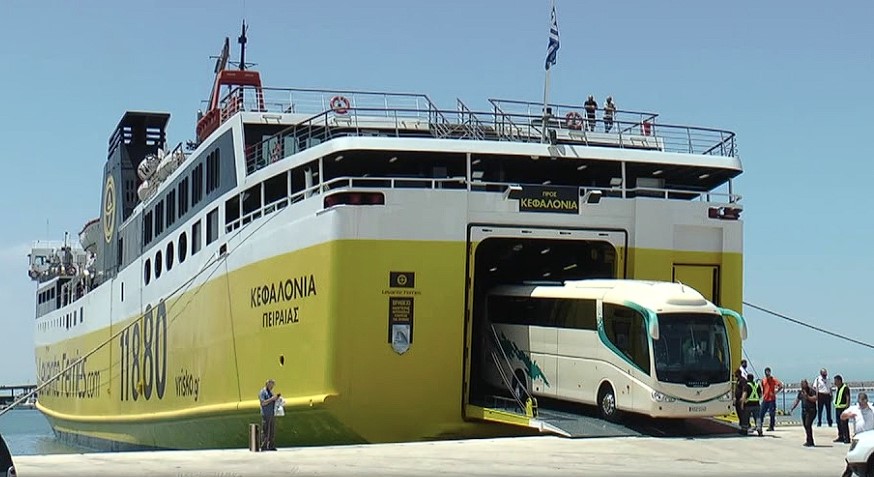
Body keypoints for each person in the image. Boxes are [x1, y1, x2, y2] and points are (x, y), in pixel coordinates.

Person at [840, 393, 874, 477]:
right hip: (858, 437)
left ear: (866, 401)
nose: (861, 405)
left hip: (870, 438)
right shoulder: (854, 409)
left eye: (862, 402)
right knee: (852, 459)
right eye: (859, 402)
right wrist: (849, 415)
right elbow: (842, 416)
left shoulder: (872, 409)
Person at [789, 379, 818, 447]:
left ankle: (810, 441)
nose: (803, 386)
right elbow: (797, 400)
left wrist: (807, 397)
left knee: (808, 424)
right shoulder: (801, 392)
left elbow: (815, 399)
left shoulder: (811, 391)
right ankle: (809, 440)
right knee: (805, 425)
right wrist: (792, 408)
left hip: (811, 411)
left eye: (804, 384)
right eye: (802, 385)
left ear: (807, 384)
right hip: (804, 411)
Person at [259, 379, 280, 451]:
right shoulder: (262, 392)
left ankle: (271, 445)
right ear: (267, 384)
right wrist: (272, 399)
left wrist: (277, 399)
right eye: (271, 385)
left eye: (273, 385)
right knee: (265, 430)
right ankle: (263, 446)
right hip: (266, 413)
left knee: (271, 431)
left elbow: (272, 401)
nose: (272, 387)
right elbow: (263, 403)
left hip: (272, 413)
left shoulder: (271, 393)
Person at [759, 367, 783, 432]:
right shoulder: (763, 380)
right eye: (766, 372)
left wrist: (776, 392)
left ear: (770, 372)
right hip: (765, 399)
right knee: (761, 413)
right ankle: (759, 425)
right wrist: (762, 395)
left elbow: (781, 385)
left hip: (771, 399)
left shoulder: (773, 379)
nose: (767, 374)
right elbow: (762, 388)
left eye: (768, 372)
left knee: (772, 414)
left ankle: (771, 426)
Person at [740, 371, 762, 436]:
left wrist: (742, 403)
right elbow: (760, 395)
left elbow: (744, 394)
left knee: (746, 418)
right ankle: (759, 429)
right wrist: (757, 399)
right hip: (756, 404)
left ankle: (744, 430)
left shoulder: (747, 386)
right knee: (757, 418)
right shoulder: (757, 385)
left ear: (747, 379)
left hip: (748, 405)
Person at [834, 375, 851, 443]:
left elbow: (848, 397)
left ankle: (847, 438)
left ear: (839, 381)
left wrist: (847, 407)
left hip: (843, 408)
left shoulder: (845, 388)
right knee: (838, 423)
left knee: (844, 424)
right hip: (838, 408)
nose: (835, 383)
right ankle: (841, 437)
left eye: (836, 381)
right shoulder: (838, 388)